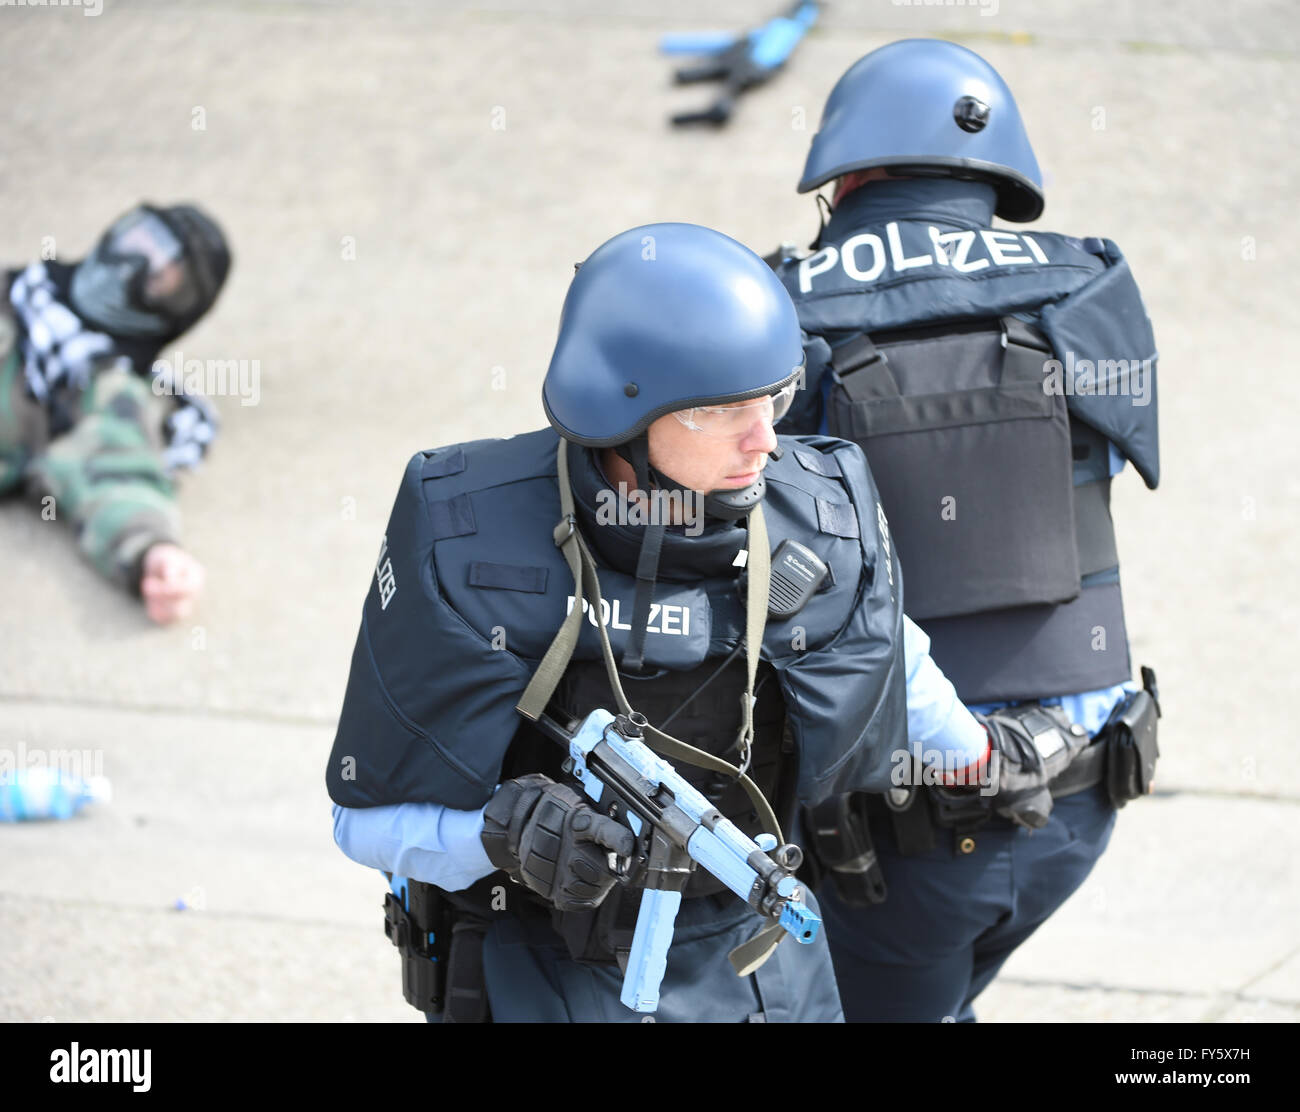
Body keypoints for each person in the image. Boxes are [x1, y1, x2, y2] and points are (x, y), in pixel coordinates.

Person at [325, 222, 990, 1023]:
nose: (767, 441)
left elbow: (893, 663)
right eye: (722, 410)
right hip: (539, 958)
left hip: (756, 956)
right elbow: (359, 818)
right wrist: (502, 836)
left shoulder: (822, 515)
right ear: (620, 414)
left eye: (772, 399)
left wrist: (986, 757)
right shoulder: (463, 528)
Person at [769, 39, 1162, 1022]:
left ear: (847, 177)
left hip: (889, 843)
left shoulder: (777, 307)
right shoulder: (1087, 284)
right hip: (1080, 797)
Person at [0, 203, 231, 624]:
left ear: (171, 313)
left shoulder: (101, 388)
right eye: (133, 245)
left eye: (154, 274)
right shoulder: (19, 289)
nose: (122, 268)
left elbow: (117, 475)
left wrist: (154, 551)